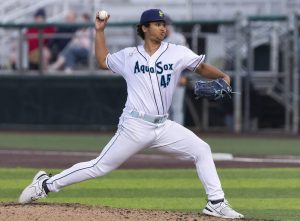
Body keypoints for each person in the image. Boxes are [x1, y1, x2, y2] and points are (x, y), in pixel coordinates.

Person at [18, 9, 244, 219]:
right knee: (100, 167)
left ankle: (216, 202)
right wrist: (99, 31)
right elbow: (103, 60)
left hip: (163, 126)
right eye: (157, 24)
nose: (163, 28)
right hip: (135, 125)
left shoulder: (177, 52)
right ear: (144, 28)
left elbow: (201, 67)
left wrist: (224, 77)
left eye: (163, 24)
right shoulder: (129, 56)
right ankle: (45, 185)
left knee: (201, 150)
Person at [164, 15, 188, 125]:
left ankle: (179, 137)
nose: (165, 27)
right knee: (162, 110)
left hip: (176, 77)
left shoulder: (178, 38)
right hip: (160, 79)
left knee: (177, 109)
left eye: (166, 24)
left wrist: (183, 75)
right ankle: (164, 138)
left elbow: (185, 58)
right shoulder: (151, 39)